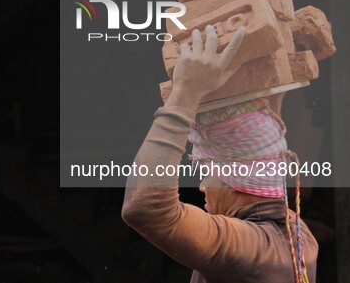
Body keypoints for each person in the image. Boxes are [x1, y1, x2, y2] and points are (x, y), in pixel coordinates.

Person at [121, 25, 318, 283]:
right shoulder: (300, 237)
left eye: (207, 172)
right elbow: (262, 148)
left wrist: (185, 93)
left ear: (237, 181)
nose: (202, 187)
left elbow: (145, 208)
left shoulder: (249, 251)